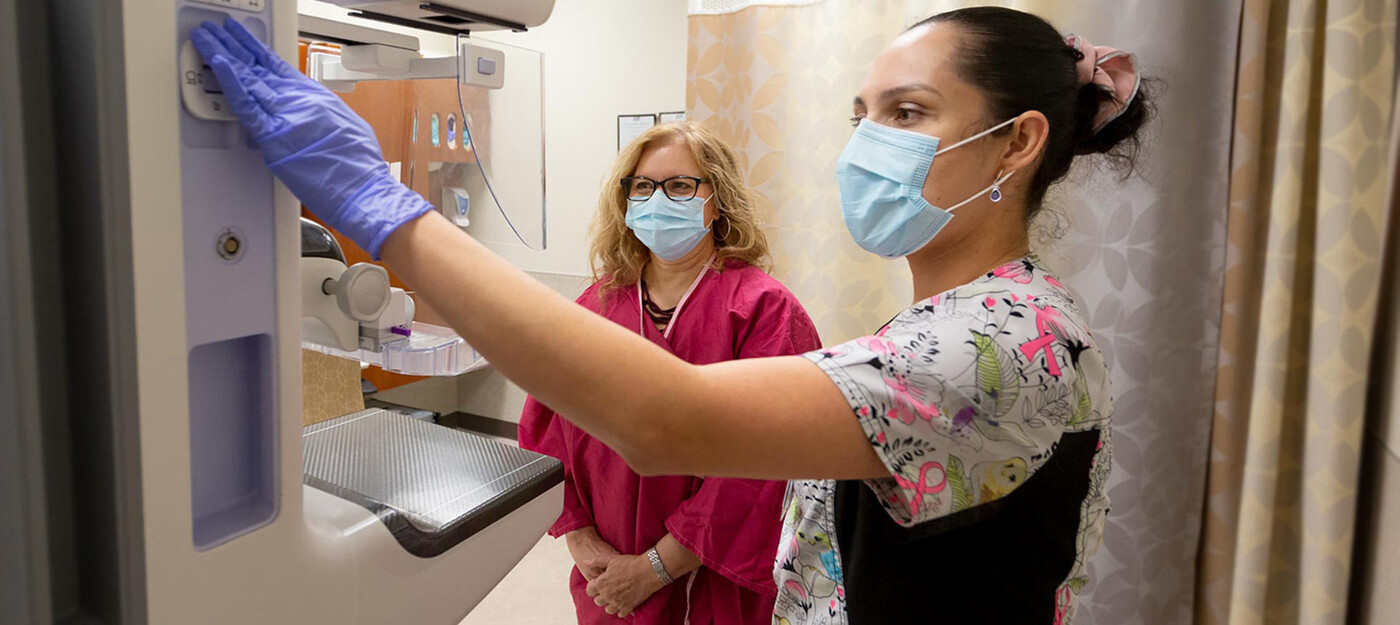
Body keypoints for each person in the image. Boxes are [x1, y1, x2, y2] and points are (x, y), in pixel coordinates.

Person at [191, 5, 1150, 622]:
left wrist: (379, 207)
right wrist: (588, 545)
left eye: (905, 113)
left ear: (1016, 142)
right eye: (862, 113)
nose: (865, 143)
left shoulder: (999, 344)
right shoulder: (978, 320)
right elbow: (556, 426)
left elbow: (667, 419)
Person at [517, 122, 819, 623]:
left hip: (715, 575)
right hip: (606, 572)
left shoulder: (764, 311)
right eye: (643, 186)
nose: (659, 198)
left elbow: (764, 465)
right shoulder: (597, 306)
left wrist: (657, 568)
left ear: (717, 200)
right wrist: (583, 541)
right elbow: (545, 432)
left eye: (680, 185)